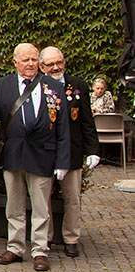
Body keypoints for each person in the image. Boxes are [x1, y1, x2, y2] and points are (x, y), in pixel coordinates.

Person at [0, 43, 71, 272]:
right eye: (25, 60)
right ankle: (15, 247)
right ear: (15, 61)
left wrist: (63, 161)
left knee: (41, 207)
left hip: (43, 155)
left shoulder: (52, 86)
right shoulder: (3, 85)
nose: (30, 64)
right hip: (14, 154)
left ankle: (40, 250)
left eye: (34, 59)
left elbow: (63, 128)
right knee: (14, 205)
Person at [40, 46, 100, 258]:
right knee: (42, 198)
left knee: (72, 198)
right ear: (42, 67)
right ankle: (44, 238)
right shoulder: (37, 86)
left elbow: (87, 121)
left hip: (73, 151)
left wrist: (93, 150)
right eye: (50, 64)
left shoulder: (78, 85)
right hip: (44, 152)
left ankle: (71, 238)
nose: (56, 67)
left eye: (59, 62)